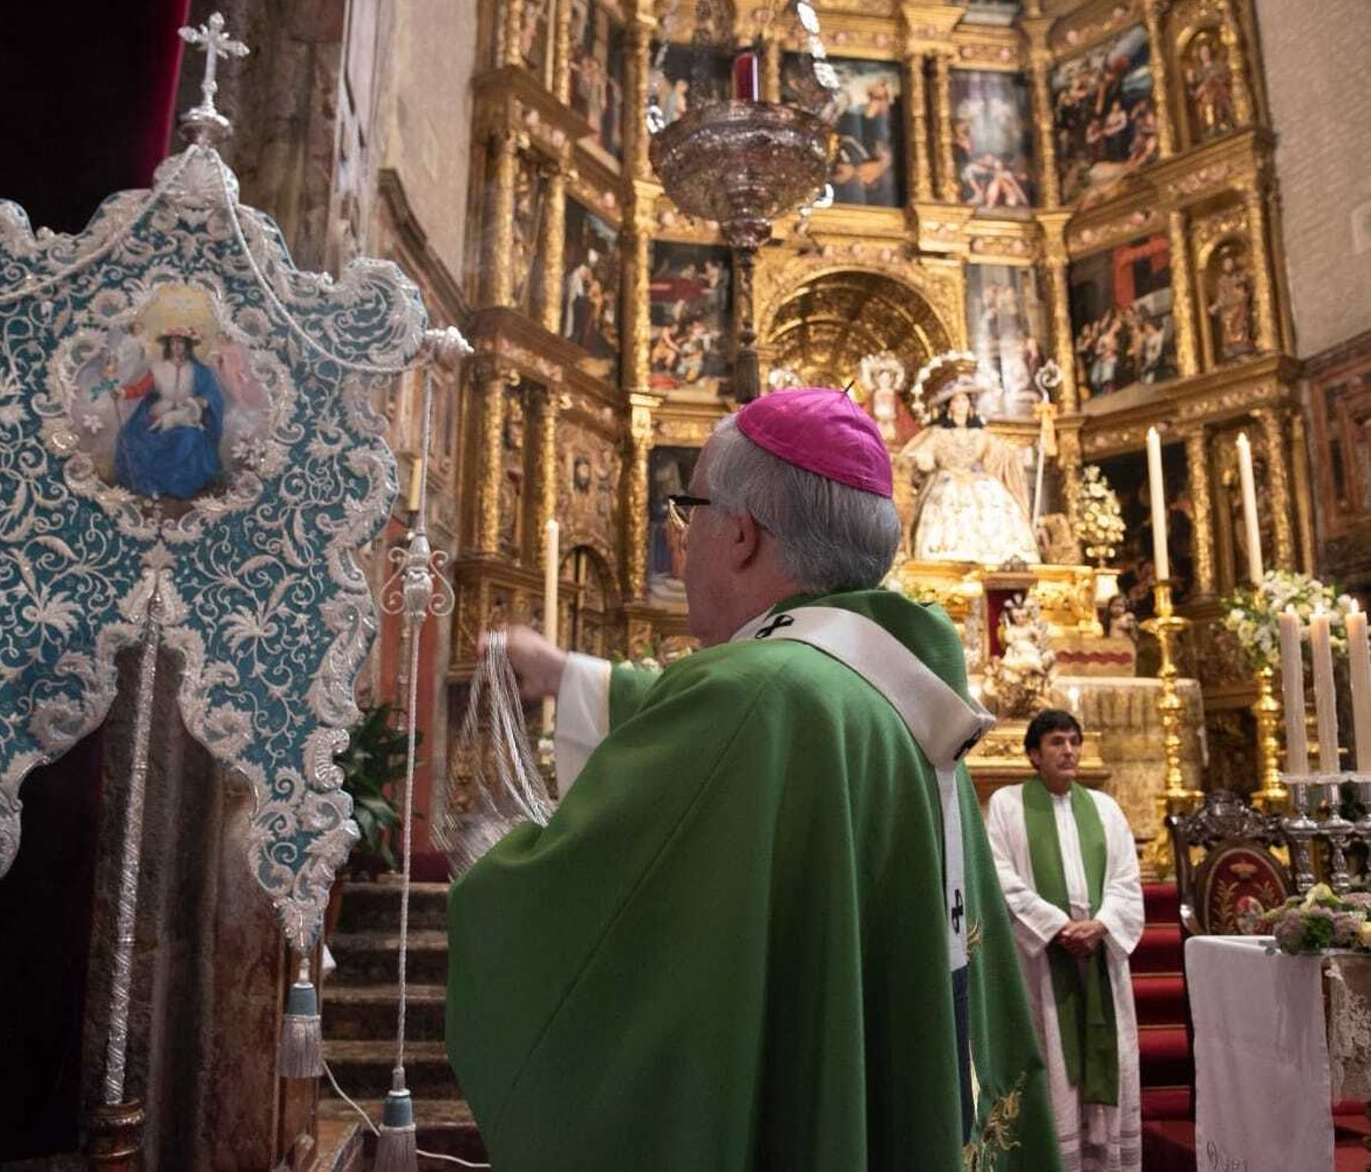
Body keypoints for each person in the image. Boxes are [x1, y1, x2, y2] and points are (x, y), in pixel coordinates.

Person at [445, 387, 1061, 1170]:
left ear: (740, 534)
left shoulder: (758, 692)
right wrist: (568, 673)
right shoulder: (889, 684)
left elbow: (581, 937)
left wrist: (490, 858)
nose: (680, 543)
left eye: (689, 510)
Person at [986, 710, 1144, 1171]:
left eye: (1074, 741)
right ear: (1034, 754)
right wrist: (1056, 926)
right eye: (1057, 742)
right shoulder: (1007, 805)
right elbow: (1000, 876)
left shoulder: (1105, 808)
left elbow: (1126, 879)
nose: (1069, 750)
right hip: (1041, 960)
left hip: (1099, 953)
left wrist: (1101, 925)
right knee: (1052, 1055)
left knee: (1108, 1056)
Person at [897, 377, 1040, 565]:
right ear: (949, 406)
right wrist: (923, 460)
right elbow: (921, 454)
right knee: (947, 498)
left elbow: (1001, 455)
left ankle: (997, 554)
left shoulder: (980, 435)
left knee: (991, 497)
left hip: (976, 479)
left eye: (964, 400)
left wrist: (1021, 453)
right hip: (946, 478)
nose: (961, 405)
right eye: (956, 401)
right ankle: (945, 552)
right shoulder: (938, 433)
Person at [113, 327, 224, 499]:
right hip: (158, 415)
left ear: (188, 345)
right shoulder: (158, 369)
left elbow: (212, 395)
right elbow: (140, 388)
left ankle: (181, 487)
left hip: (186, 417)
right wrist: (122, 392)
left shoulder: (200, 371)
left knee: (189, 438)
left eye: (180, 343)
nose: (176, 347)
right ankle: (151, 485)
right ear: (168, 346)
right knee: (135, 437)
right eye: (172, 343)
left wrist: (201, 401)